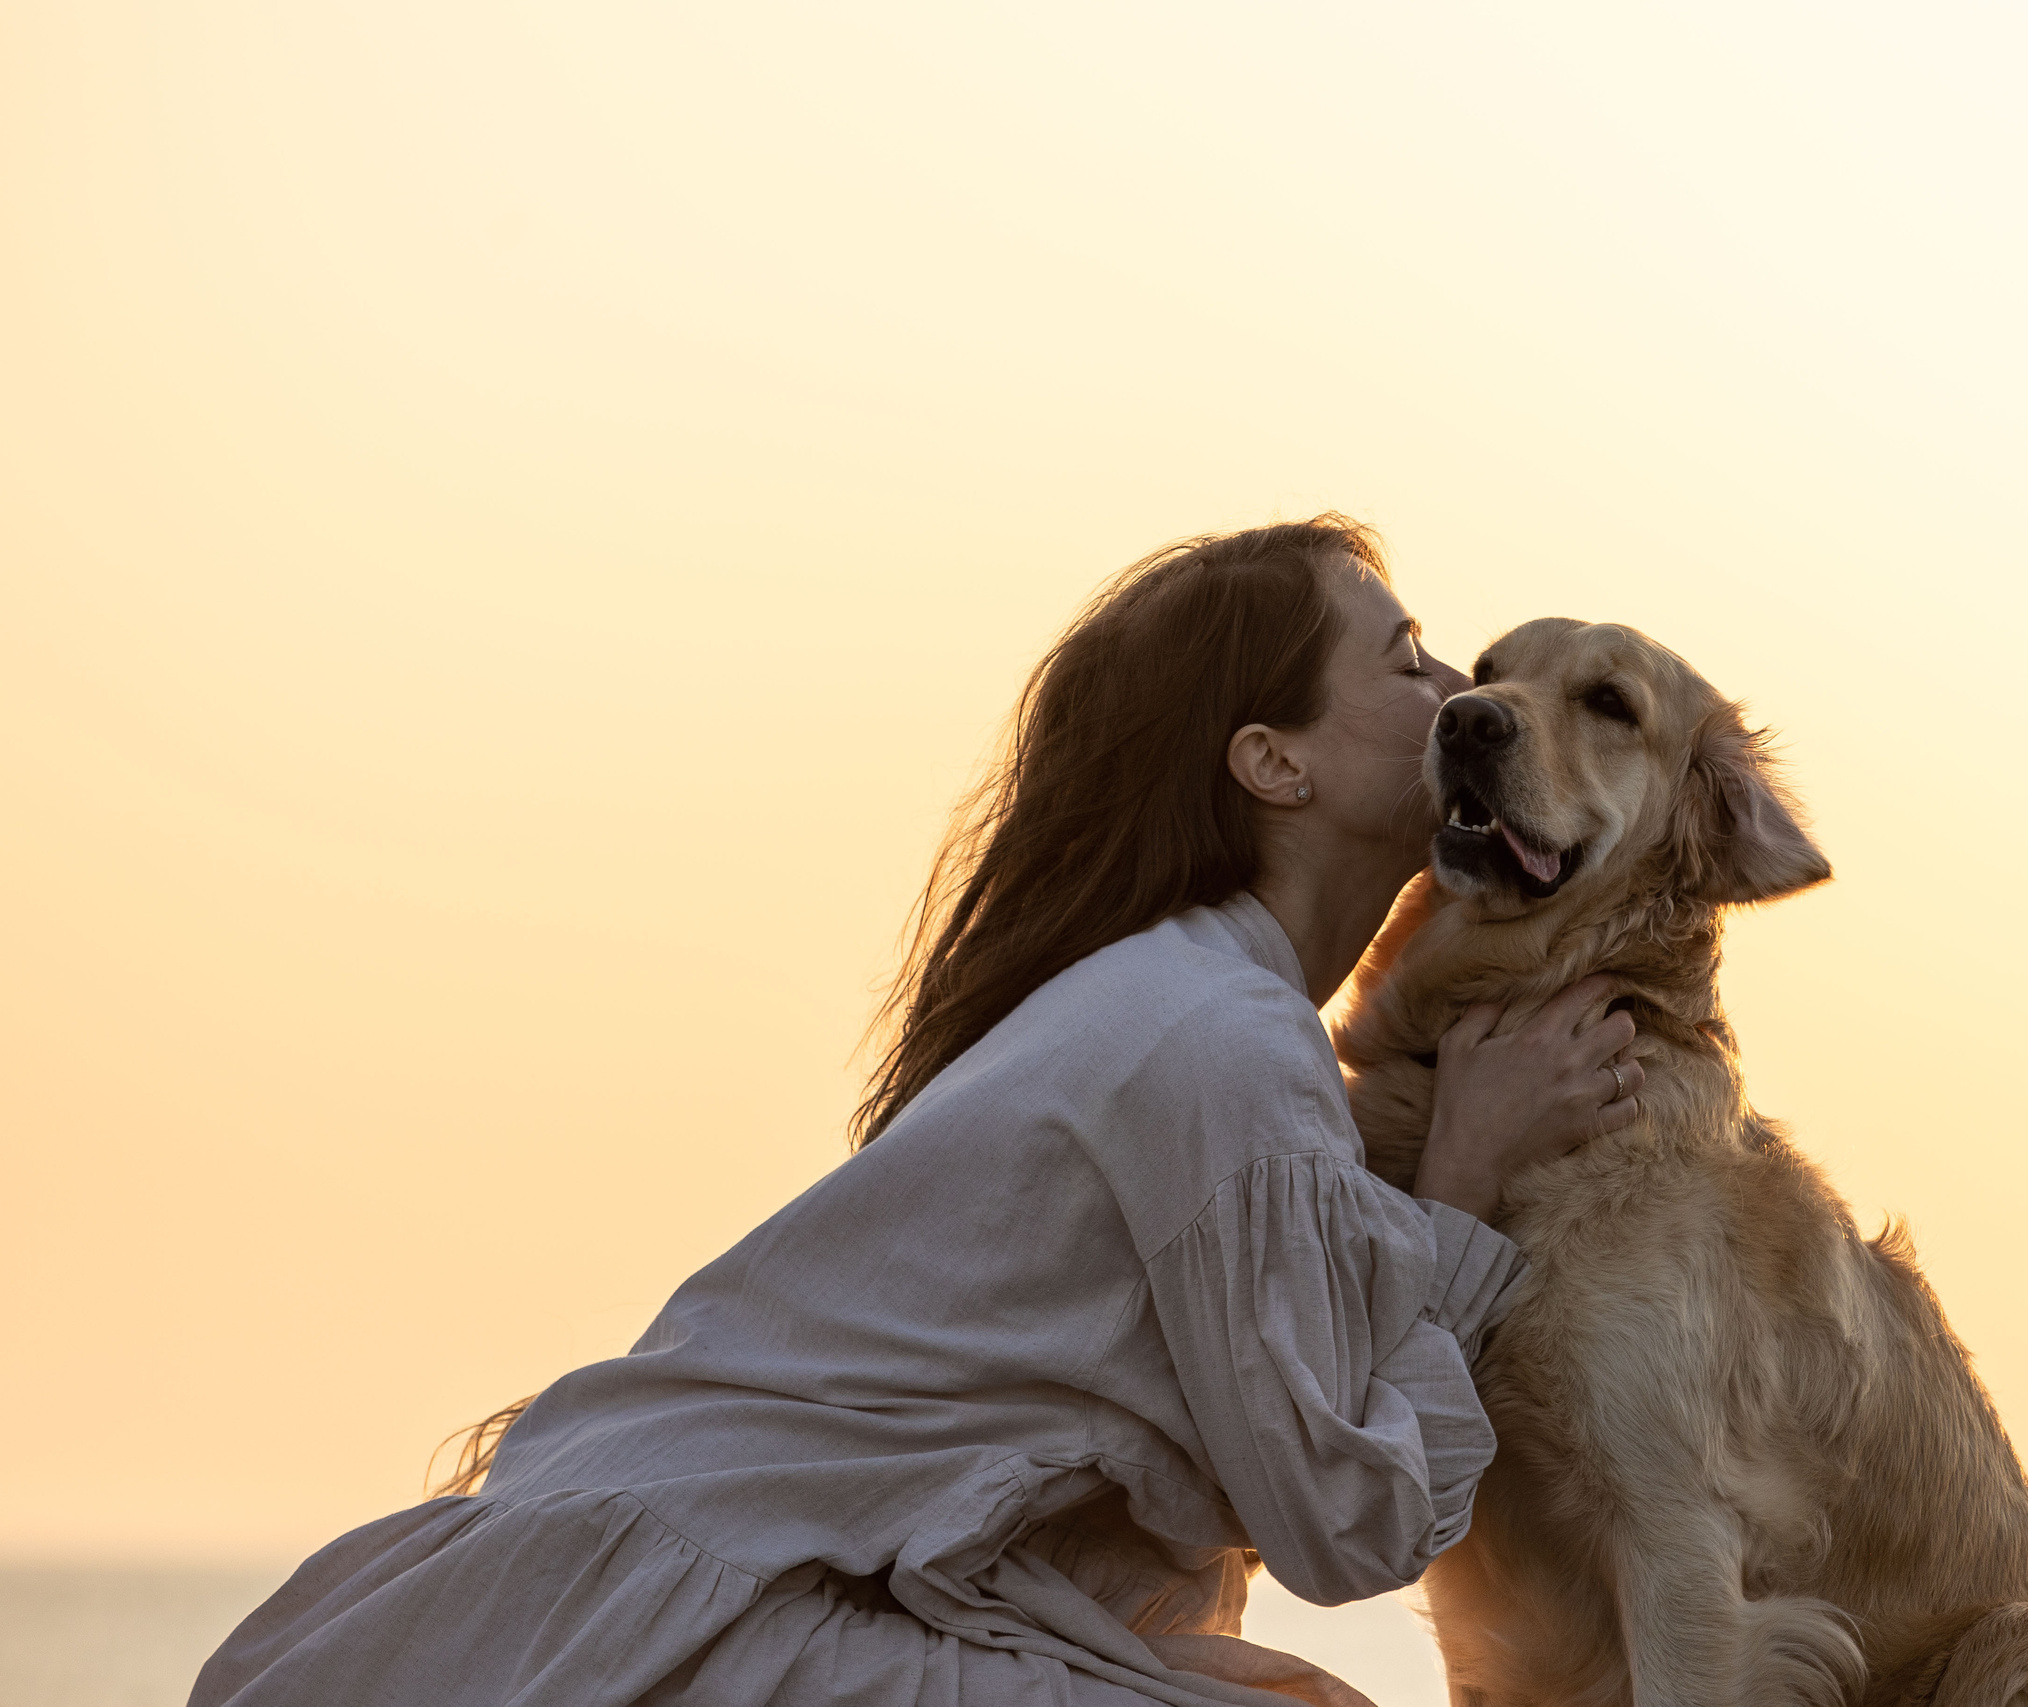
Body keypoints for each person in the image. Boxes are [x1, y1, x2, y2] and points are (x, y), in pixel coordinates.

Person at [189, 516, 1645, 1707]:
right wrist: (1462, 1182)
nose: (1458, 688)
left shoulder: (1193, 1005)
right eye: (1404, 662)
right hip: (690, 1639)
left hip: (678, 1605)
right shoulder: (1217, 1039)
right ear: (1274, 762)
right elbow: (1345, 1524)